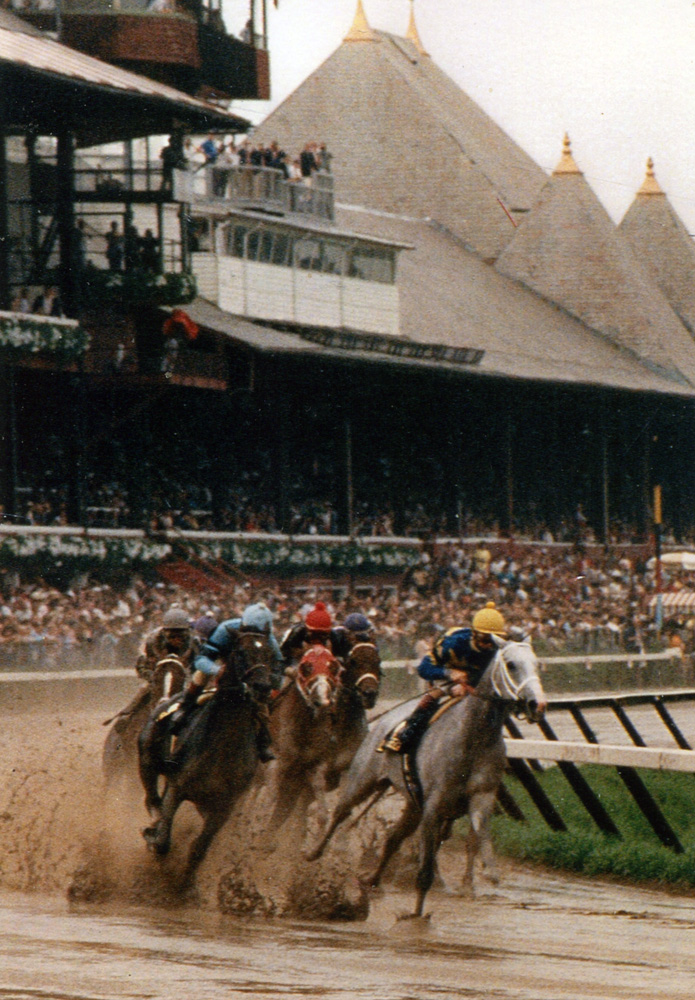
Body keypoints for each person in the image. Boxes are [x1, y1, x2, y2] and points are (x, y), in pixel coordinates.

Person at [382, 601, 507, 753]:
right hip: (446, 676)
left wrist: (469, 685)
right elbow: (423, 669)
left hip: (475, 681)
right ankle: (405, 733)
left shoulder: (497, 650)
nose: (489, 645)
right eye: (486, 640)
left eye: (494, 640)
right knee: (437, 693)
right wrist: (449, 674)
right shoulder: (453, 643)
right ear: (474, 633)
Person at [171, 602, 282, 762]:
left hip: (249, 671)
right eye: (248, 632)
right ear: (242, 627)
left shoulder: (268, 638)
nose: (253, 636)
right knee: (201, 674)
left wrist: (273, 680)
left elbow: (278, 662)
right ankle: (184, 708)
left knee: (261, 700)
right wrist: (217, 670)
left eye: (258, 634)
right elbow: (201, 659)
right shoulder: (225, 629)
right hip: (224, 666)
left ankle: (263, 740)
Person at [280, 600, 334, 665]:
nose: (318, 637)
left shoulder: (333, 635)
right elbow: (284, 652)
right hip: (298, 663)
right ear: (307, 629)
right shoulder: (297, 633)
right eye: (314, 633)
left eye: (322, 634)